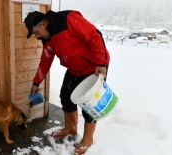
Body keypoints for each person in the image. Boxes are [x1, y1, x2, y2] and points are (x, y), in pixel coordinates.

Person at [24, 10, 110, 155]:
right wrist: (36, 82)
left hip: (93, 68)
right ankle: (70, 128)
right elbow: (45, 61)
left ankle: (88, 138)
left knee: (89, 105)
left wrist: (101, 62)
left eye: (36, 32)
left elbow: (94, 36)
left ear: (43, 24)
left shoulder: (68, 19)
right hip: (74, 69)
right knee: (66, 96)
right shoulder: (48, 39)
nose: (37, 36)